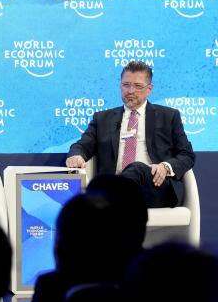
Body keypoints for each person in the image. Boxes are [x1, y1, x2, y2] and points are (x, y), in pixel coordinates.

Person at [66, 60, 195, 208]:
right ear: (120, 86)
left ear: (149, 89)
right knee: (114, 183)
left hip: (154, 187)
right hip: (111, 186)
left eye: (138, 86)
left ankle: (111, 201)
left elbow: (187, 155)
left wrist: (165, 167)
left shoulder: (168, 116)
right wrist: (76, 155)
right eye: (126, 85)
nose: (131, 91)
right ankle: (115, 199)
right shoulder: (102, 119)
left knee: (137, 168)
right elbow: (81, 146)